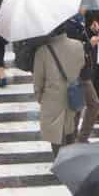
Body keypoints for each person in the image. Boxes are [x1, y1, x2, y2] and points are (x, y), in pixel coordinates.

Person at [32, 25, 86, 156]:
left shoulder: (42, 51)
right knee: (70, 131)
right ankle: (69, 164)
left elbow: (38, 81)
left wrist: (40, 98)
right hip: (73, 95)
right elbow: (82, 66)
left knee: (56, 137)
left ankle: (60, 165)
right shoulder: (78, 45)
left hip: (52, 99)